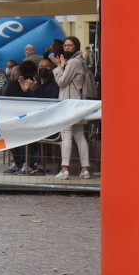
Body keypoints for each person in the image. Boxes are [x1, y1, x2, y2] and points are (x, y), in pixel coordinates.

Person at [50, 35, 92, 180]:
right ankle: (85, 169)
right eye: (65, 45)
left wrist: (58, 67)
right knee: (79, 136)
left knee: (66, 135)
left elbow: (62, 81)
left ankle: (65, 169)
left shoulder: (73, 62)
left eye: (70, 45)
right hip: (77, 103)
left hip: (69, 103)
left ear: (76, 47)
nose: (66, 48)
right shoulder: (80, 61)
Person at [2, 61, 39, 175]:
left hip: (23, 120)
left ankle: (24, 163)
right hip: (28, 120)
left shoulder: (33, 84)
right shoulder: (35, 83)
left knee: (17, 139)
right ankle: (24, 163)